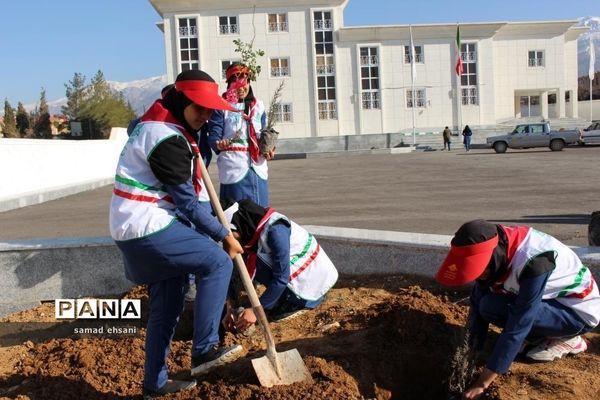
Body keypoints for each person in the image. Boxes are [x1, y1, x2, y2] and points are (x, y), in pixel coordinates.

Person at [109, 69, 246, 398]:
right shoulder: (167, 139)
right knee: (217, 263)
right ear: (182, 100)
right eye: (198, 107)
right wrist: (224, 235)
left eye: (210, 109)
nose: (205, 115)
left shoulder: (161, 124)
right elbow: (188, 206)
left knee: (167, 309)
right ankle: (204, 350)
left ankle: (154, 385)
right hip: (146, 224)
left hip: (136, 223)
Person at [435, 220, 600, 400]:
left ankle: (568, 339)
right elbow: (477, 301)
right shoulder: (495, 247)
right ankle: (537, 336)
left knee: (509, 315)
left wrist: (482, 383)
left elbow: (520, 321)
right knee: (487, 305)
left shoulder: (534, 261)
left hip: (575, 312)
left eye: (481, 269)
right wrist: (471, 353)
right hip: (548, 302)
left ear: (493, 254)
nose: (480, 275)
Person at [221, 199, 339, 332]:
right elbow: (229, 269)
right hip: (282, 275)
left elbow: (281, 277)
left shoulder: (276, 230)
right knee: (240, 260)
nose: (229, 242)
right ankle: (279, 299)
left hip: (312, 280)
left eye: (230, 236)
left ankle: (296, 303)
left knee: (258, 263)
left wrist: (256, 310)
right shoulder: (247, 236)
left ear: (238, 225)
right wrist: (230, 305)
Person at [207, 63, 274, 208]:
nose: (241, 87)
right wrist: (219, 143)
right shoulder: (221, 106)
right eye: (236, 83)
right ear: (229, 84)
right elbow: (213, 134)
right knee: (236, 213)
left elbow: (263, 133)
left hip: (257, 167)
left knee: (259, 212)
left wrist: (268, 149)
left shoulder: (258, 106)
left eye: (245, 83)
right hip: (234, 166)